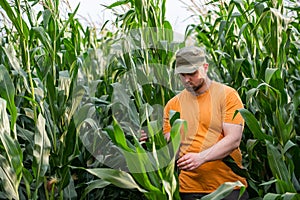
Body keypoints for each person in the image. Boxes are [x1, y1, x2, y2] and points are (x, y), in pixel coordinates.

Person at [162, 46, 249, 200]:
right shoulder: (172, 105)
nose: (187, 79)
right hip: (188, 189)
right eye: (183, 75)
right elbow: (172, 147)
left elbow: (233, 139)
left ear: (205, 68)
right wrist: (152, 140)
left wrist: (202, 157)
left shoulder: (227, 96)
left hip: (228, 188)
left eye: (192, 73)